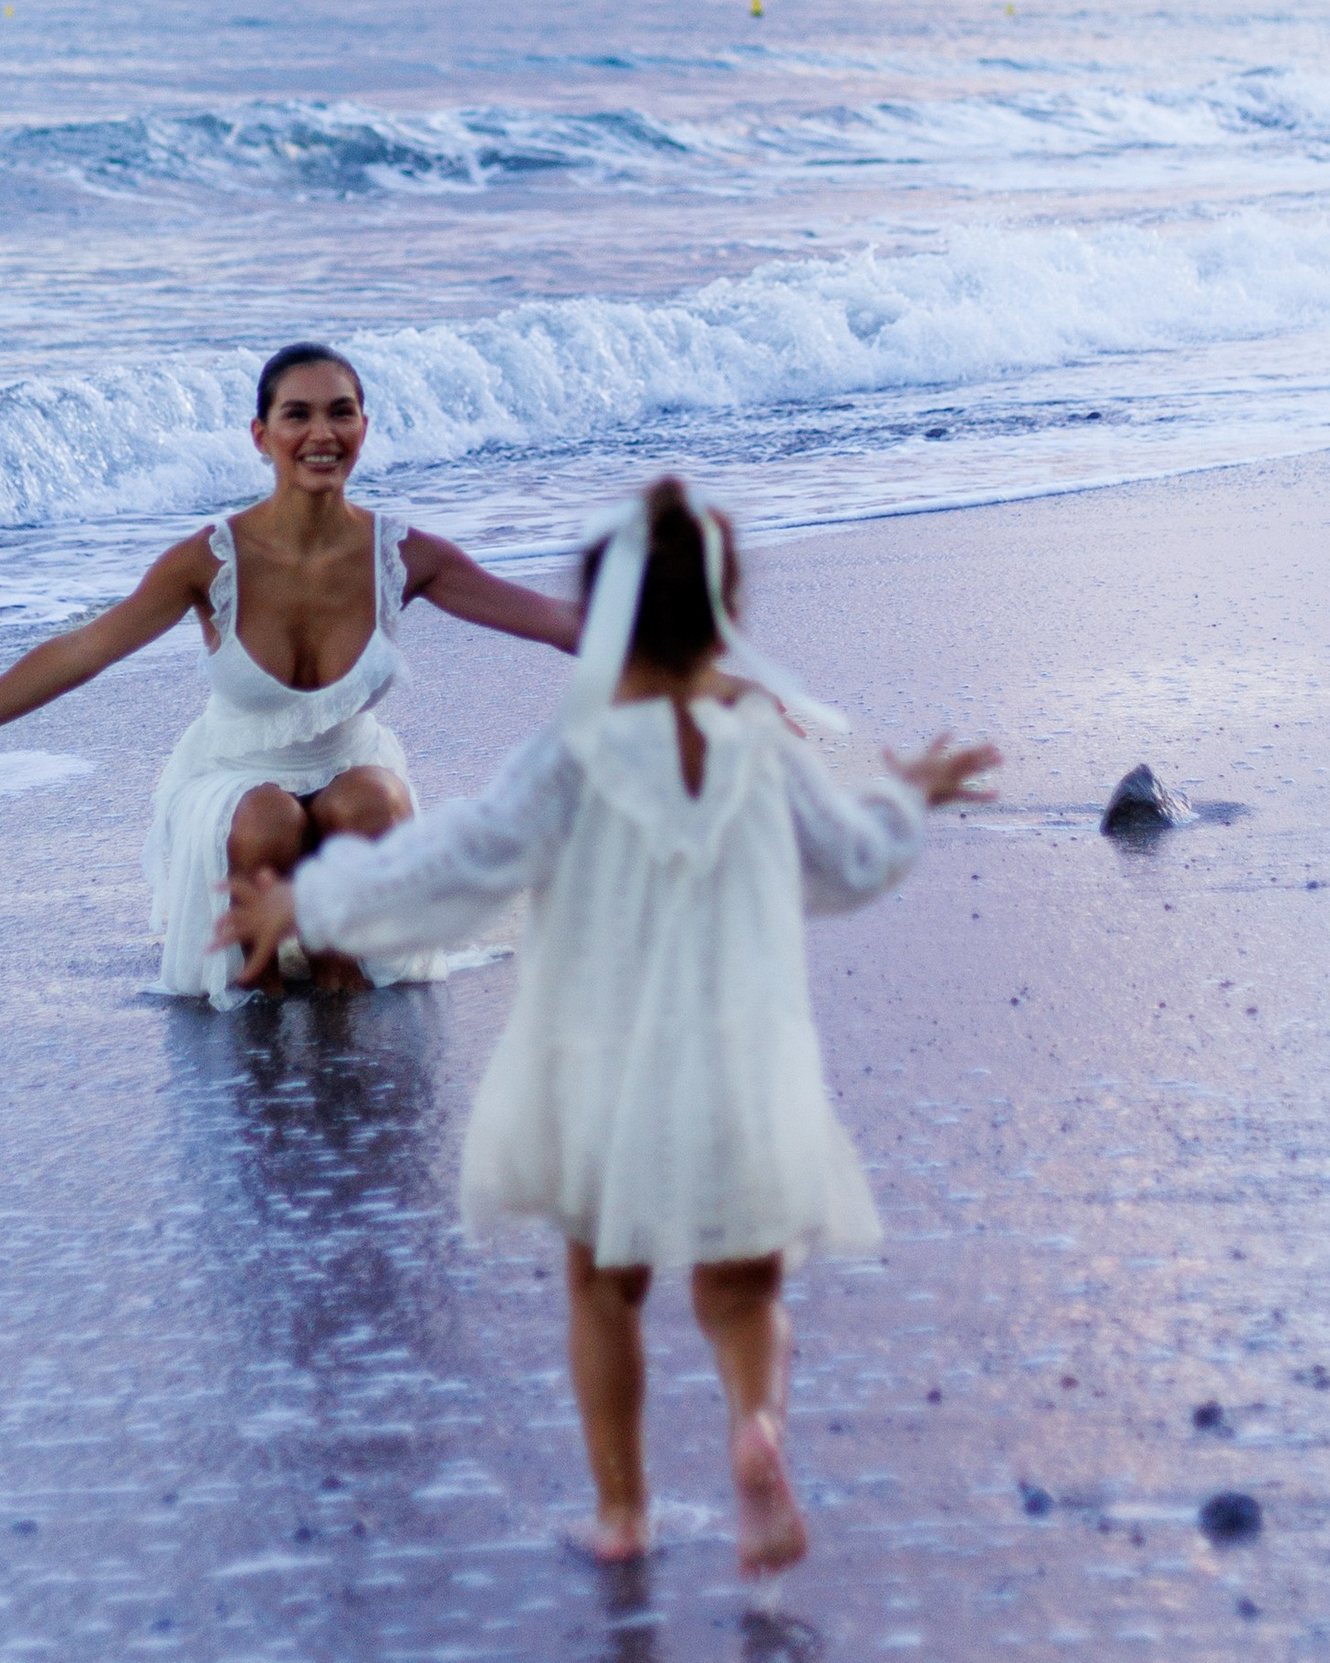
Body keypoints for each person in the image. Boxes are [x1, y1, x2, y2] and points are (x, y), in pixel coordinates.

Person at [220, 472, 999, 1576]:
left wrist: (307, 900)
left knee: (602, 1286)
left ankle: (624, 1514)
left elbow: (448, 868)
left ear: (603, 621)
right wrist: (905, 795)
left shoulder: (569, 758)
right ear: (719, 615)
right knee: (741, 1289)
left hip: (595, 1062)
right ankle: (754, 1431)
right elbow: (847, 866)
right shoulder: (761, 747)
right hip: (740, 1056)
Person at [0, 339, 580, 1002]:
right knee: (268, 817)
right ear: (261, 436)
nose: (321, 434)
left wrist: (681, 637)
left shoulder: (404, 555)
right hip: (234, 783)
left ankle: (347, 1005)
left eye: (341, 413)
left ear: (364, 426)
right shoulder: (210, 560)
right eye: (297, 415)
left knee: (371, 803)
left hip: (350, 771)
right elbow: (85, 650)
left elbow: (552, 622)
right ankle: (258, 1008)